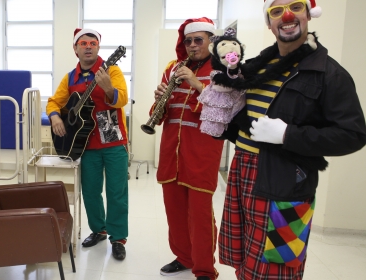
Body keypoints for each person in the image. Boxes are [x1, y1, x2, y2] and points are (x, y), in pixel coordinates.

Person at [217, 0, 366, 279]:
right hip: (242, 171)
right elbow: (243, 116)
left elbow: (353, 134)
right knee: (243, 261)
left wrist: (288, 135)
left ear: (309, 14)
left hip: (286, 179)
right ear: (269, 23)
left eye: (296, 6)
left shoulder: (329, 73)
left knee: (277, 268)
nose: (286, 15)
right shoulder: (256, 67)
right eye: (276, 11)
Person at [46, 28, 129, 261]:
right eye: (83, 43)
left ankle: (118, 238)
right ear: (76, 48)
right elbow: (55, 101)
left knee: (116, 192)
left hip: (113, 141)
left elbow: (121, 97)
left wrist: (108, 88)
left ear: (98, 48)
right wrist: (54, 116)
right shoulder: (70, 77)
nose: (88, 46)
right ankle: (99, 230)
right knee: (91, 192)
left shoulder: (111, 70)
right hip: (85, 143)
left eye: (93, 43)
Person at [152, 17, 223, 280]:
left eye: (198, 40)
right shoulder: (173, 67)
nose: (192, 45)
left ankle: (204, 268)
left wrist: (196, 83)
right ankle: (184, 257)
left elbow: (224, 110)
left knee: (201, 215)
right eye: (188, 41)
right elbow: (159, 114)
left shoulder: (221, 69)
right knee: (175, 211)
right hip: (172, 151)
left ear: (211, 41)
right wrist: (160, 99)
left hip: (202, 152)